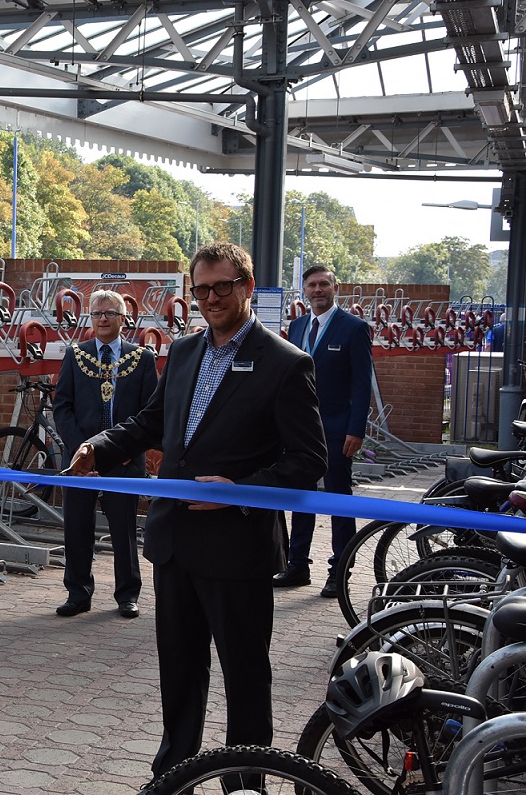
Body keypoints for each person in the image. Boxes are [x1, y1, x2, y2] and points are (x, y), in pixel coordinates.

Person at [68, 242, 326, 777]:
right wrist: (100, 445)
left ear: (248, 287)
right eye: (201, 289)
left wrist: (239, 489)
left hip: (236, 548)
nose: (210, 298)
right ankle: (173, 774)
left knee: (245, 676)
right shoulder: (184, 353)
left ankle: (245, 781)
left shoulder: (285, 363)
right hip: (175, 541)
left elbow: (308, 460)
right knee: (180, 671)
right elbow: (149, 422)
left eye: (222, 287)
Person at [52, 288, 158, 619]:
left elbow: (151, 412)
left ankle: (127, 594)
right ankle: (78, 592)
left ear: (123, 319)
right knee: (77, 526)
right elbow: (62, 406)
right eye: (96, 314)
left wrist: (128, 448)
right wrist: (81, 449)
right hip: (80, 461)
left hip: (125, 460)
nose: (102, 319)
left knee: (124, 528)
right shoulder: (75, 354)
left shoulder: (142, 359)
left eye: (109, 313)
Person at [275, 265, 373, 597]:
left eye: (324, 284)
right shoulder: (298, 325)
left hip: (336, 429)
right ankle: (297, 565)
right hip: (299, 430)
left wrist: (355, 428)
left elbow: (362, 384)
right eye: (312, 285)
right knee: (300, 496)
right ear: (304, 290)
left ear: (335, 288)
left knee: (337, 498)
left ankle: (339, 570)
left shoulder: (354, 328)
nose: (318, 290)